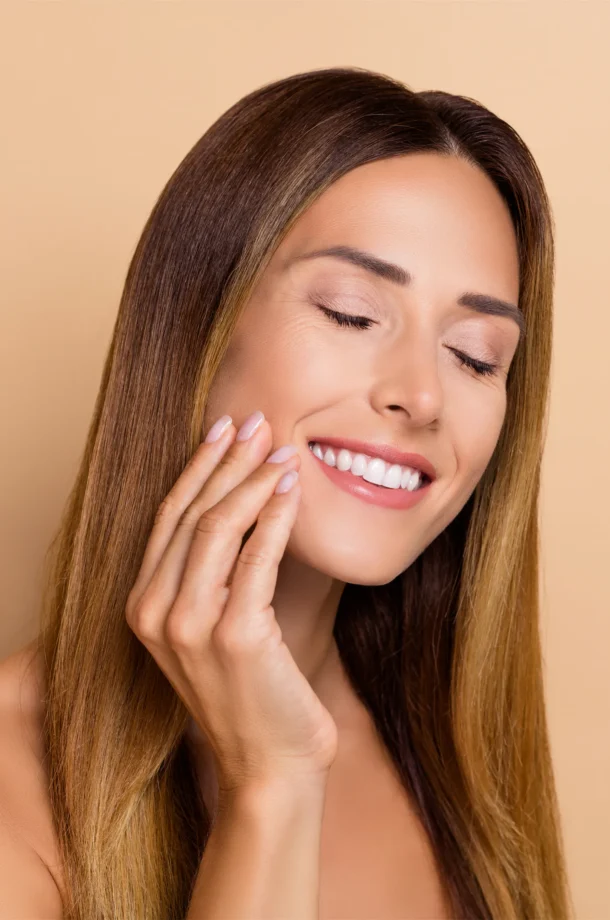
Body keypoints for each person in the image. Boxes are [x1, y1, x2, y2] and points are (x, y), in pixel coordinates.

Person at [0, 66, 574, 919]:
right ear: (198, 324)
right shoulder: (13, 783)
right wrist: (271, 783)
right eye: (351, 313)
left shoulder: (453, 749)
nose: (422, 395)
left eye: (475, 356)